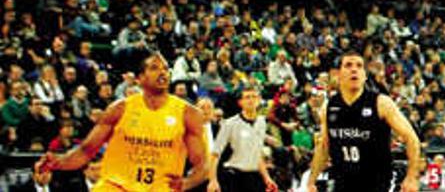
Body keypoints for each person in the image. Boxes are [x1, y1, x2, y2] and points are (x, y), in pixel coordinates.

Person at [34, 51, 210, 191]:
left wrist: (186, 183)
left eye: (165, 68)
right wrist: (57, 161)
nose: (163, 72)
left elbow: (202, 165)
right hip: (116, 186)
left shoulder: (188, 113)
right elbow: (86, 151)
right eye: (154, 68)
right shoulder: (119, 109)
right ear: (140, 78)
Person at [306, 52, 421, 192]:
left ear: (365, 75)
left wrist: (411, 177)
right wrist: (311, 181)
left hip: (378, 182)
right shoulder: (329, 107)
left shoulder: (381, 103)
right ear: (338, 74)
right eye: (348, 65)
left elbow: (412, 138)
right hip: (343, 182)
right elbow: (324, 146)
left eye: (359, 66)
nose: (354, 69)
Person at [209, 87, 276, 192]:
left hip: (253, 177)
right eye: (247, 97)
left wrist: (267, 178)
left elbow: (257, 154)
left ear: (259, 100)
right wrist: (212, 180)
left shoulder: (261, 122)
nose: (251, 100)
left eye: (254, 97)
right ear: (240, 102)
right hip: (233, 176)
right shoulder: (229, 123)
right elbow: (215, 154)